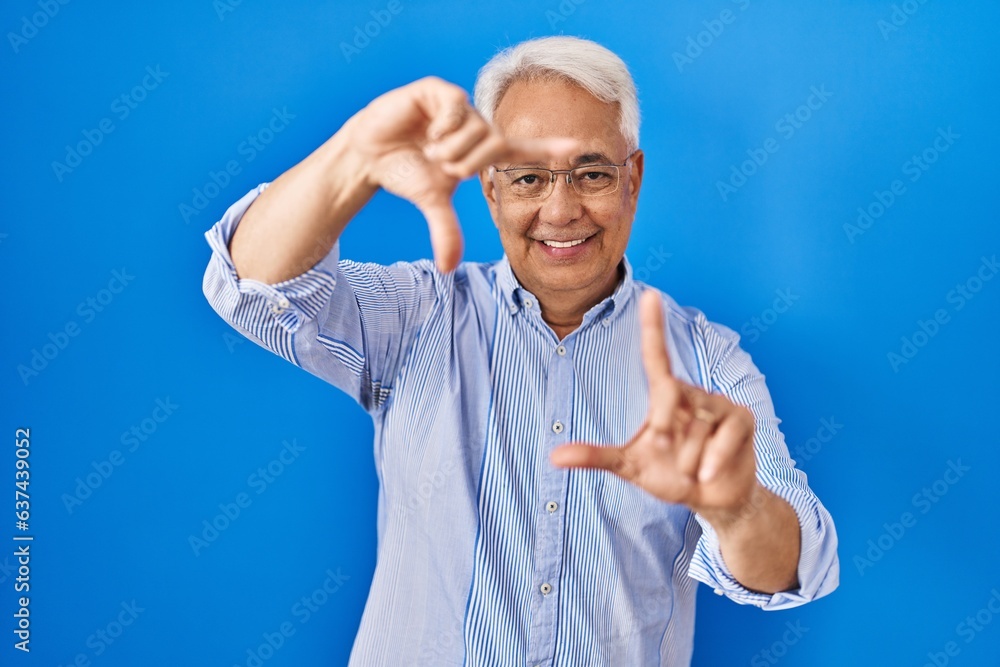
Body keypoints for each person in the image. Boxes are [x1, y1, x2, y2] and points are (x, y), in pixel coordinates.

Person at [201, 35, 838, 667]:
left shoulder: (707, 362)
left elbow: (795, 567)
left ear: (632, 180)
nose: (560, 211)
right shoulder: (418, 313)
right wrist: (353, 152)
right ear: (490, 187)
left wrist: (737, 506)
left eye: (591, 173)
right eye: (529, 177)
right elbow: (251, 285)